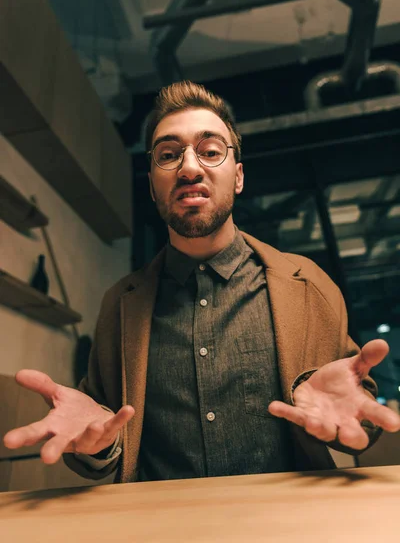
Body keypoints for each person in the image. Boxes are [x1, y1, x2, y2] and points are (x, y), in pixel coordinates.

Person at [3, 81, 400, 483]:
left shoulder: (309, 286)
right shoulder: (120, 306)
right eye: (169, 155)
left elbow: (356, 415)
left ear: (239, 176)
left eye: (210, 152)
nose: (190, 168)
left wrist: (359, 422)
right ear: (153, 187)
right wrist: (98, 446)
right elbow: (99, 431)